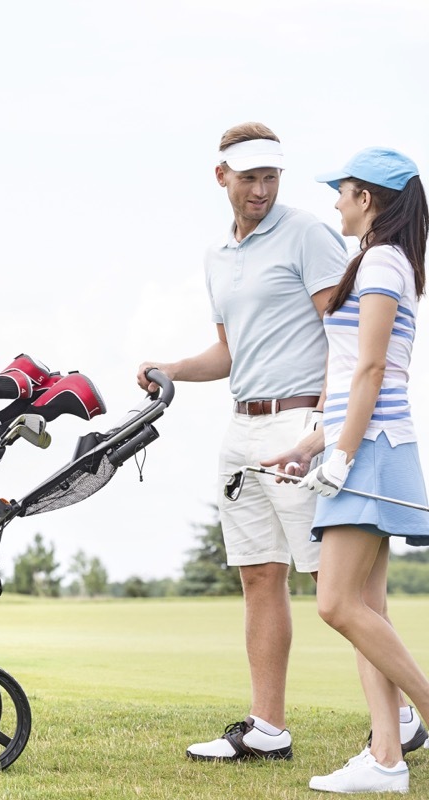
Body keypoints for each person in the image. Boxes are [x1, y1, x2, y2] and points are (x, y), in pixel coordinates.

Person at [137, 121, 354, 762]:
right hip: (243, 428)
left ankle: (400, 717)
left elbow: (345, 337)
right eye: (250, 177)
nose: (262, 189)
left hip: (302, 425)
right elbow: (230, 353)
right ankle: (267, 728)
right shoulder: (217, 257)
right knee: (260, 576)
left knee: (337, 585)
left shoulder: (309, 235)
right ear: (221, 176)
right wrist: (174, 369)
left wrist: (326, 429)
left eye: (271, 176)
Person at [262, 147, 429, 793]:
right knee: (368, 610)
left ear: (372, 199)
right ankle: (387, 759)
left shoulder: (384, 261)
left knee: (335, 604)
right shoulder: (386, 260)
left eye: (345, 192)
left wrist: (342, 457)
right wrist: (313, 443)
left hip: (373, 450)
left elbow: (370, 372)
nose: (336, 202)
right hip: (366, 444)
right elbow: (354, 380)